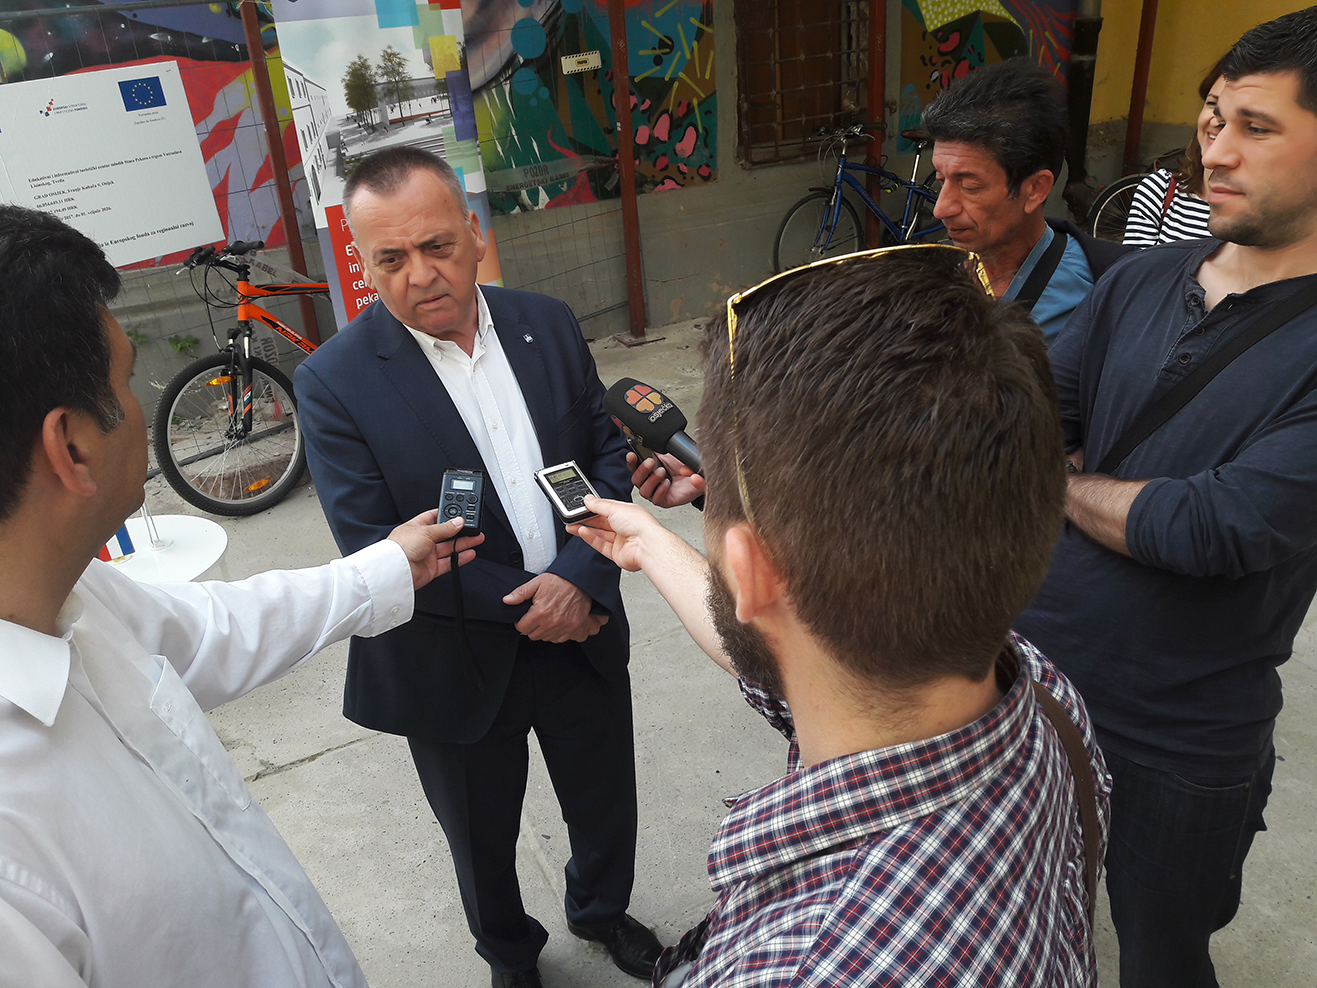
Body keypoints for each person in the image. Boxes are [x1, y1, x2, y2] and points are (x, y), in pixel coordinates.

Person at [571, 246, 1111, 987]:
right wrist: (651, 543)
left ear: (753, 573)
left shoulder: (796, 968)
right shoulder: (1039, 692)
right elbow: (793, 662)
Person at [0, 204, 482, 986]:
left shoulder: (73, 598)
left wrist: (385, 568)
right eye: (127, 380)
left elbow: (208, 631)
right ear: (72, 448)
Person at [294, 147, 659, 988]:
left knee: (605, 796)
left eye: (437, 246)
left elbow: (603, 457)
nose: (420, 275)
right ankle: (509, 955)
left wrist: (580, 578)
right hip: (449, 650)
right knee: (480, 834)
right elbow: (369, 538)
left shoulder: (547, 324)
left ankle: (601, 910)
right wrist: (540, 599)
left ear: (474, 232)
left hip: (582, 622)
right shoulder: (332, 381)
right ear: (363, 262)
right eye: (391, 258)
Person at [1013, 9, 1317, 987]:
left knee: (1161, 957)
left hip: (1182, 740)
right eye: (1214, 119)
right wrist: (1092, 485)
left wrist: (1065, 480)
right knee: (1020, 922)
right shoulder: (1136, 280)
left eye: (1256, 127)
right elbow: (1026, 422)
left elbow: (1209, 527)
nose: (1214, 152)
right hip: (1032, 687)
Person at [921, 58, 1131, 342]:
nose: (941, 208)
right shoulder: (928, 277)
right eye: (941, 180)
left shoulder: (1103, 296)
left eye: (970, 185)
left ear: (1035, 189)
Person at [1122, 63, 1223, 246]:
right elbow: (1137, 264)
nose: (1217, 121)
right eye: (1212, 103)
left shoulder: (1265, 215)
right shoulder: (1159, 192)